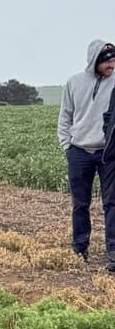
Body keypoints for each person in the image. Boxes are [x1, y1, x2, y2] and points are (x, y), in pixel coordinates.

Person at [58, 39, 115, 267]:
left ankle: (113, 252)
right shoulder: (74, 83)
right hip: (79, 151)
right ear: (95, 61)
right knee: (80, 203)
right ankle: (80, 249)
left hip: (109, 153)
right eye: (108, 62)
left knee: (112, 203)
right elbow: (65, 117)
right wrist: (67, 146)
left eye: (114, 61)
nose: (112, 65)